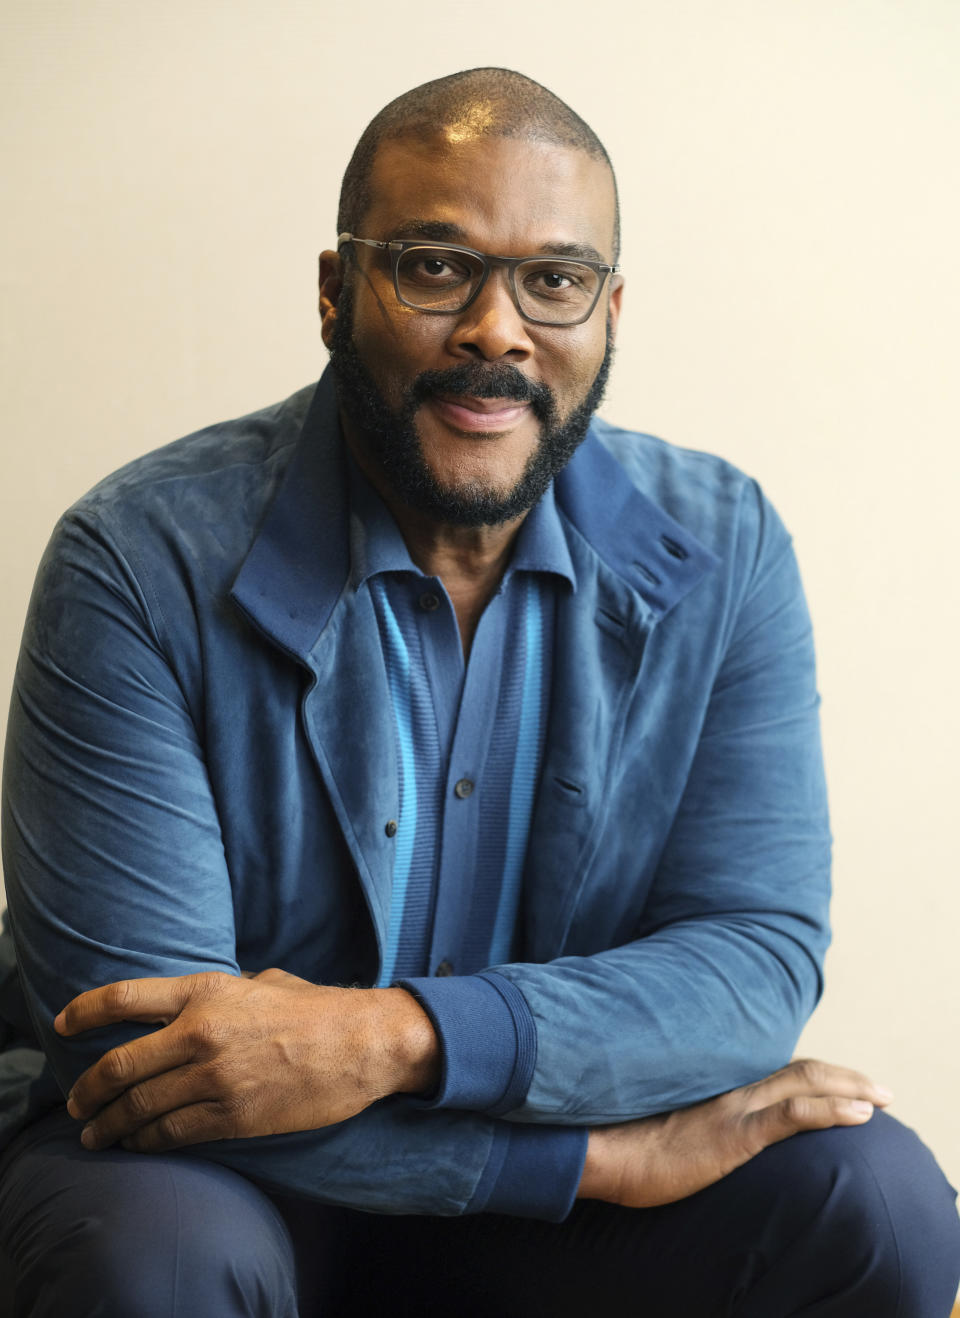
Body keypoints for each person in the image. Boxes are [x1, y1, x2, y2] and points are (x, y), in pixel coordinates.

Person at [0, 66, 957, 1317]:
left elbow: (752, 958)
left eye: (553, 281)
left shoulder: (727, 549)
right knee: (156, 1251)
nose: (498, 331)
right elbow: (136, 1059)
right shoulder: (137, 558)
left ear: (611, 313)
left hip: (555, 1232)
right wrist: (591, 1162)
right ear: (337, 291)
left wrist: (396, 1035)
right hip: (225, 1184)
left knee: (876, 1197)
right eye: (436, 266)